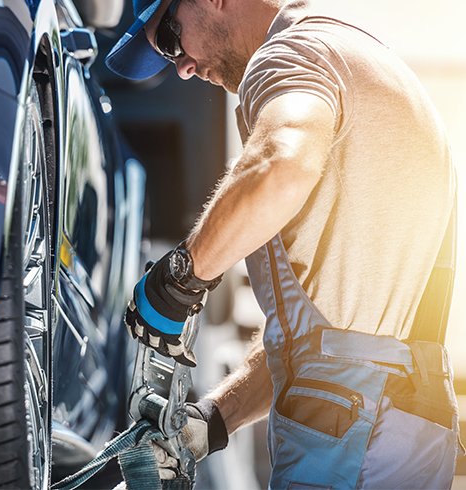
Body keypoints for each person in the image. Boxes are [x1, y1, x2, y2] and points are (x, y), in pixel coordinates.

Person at [107, 0, 463, 487]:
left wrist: (180, 279)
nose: (184, 69)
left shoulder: (290, 55)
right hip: (411, 431)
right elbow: (332, 345)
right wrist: (212, 420)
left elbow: (281, 163)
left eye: (170, 38)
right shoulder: (369, 65)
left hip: (350, 439)